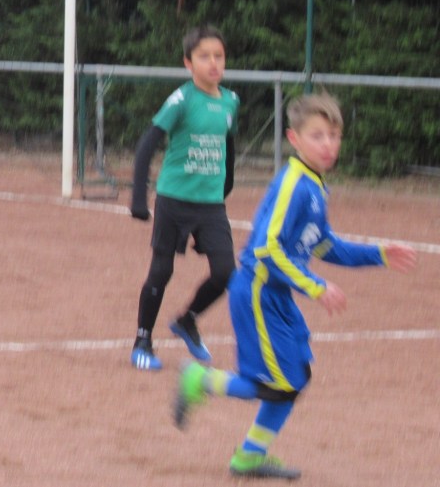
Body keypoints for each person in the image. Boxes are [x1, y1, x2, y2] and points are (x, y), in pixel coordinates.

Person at [173, 93, 417, 479]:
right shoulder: (295, 185)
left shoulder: (314, 186)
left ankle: (250, 455)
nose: (328, 144)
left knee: (295, 377)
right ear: (294, 138)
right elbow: (266, 249)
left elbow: (323, 245)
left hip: (276, 295)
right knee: (278, 383)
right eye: (317, 136)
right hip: (257, 291)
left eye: (334, 135)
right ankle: (200, 380)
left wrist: (378, 255)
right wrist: (315, 286)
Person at [128, 25, 240, 371]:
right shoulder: (181, 99)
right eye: (204, 57)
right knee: (161, 270)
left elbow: (228, 144)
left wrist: (226, 184)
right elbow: (148, 143)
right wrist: (138, 196)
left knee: (226, 272)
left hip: (210, 204)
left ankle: (187, 319)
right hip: (174, 200)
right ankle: (142, 340)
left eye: (218, 56)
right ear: (188, 64)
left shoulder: (230, 101)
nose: (213, 63)